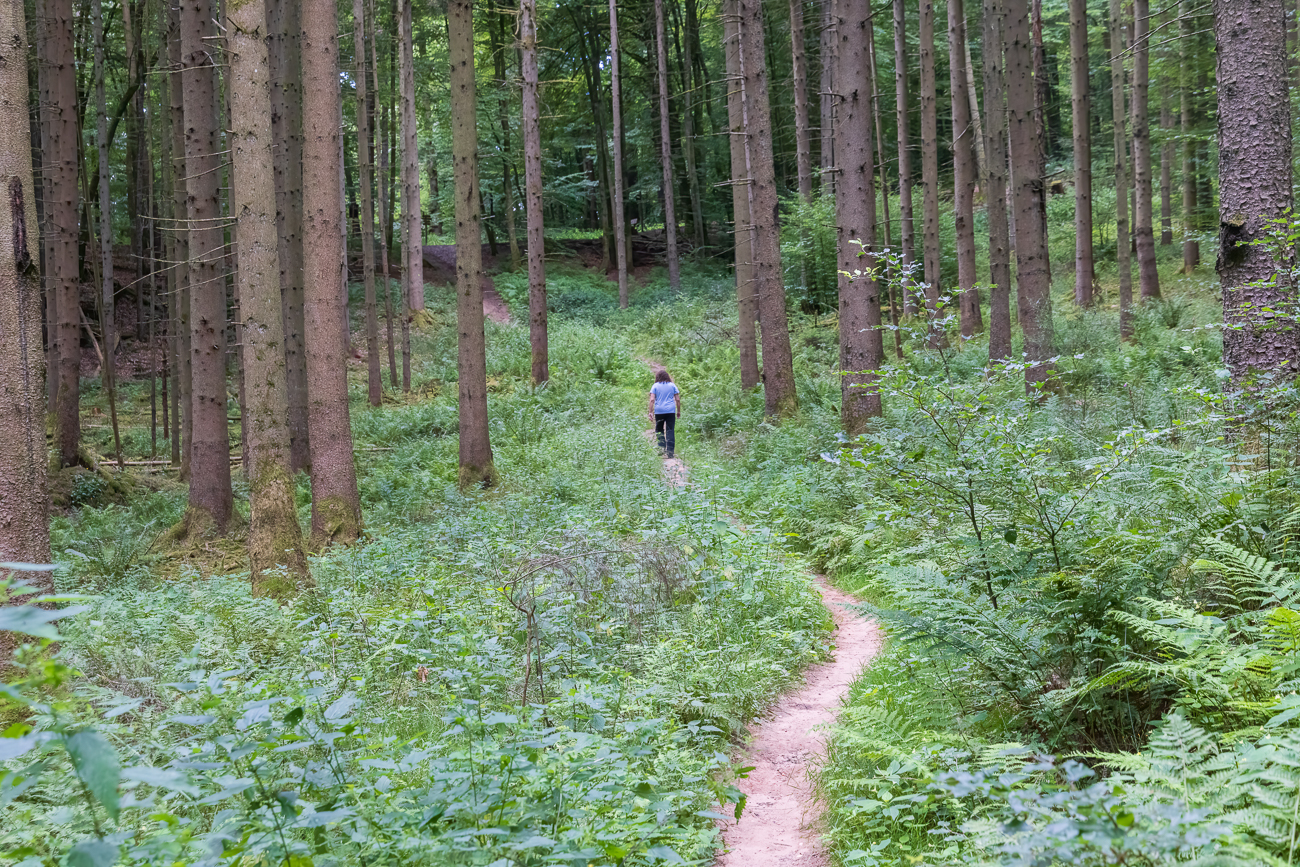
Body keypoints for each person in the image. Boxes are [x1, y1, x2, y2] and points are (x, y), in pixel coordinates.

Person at [648, 370, 681, 459]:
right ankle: (670, 452)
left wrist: (650, 412)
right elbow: (677, 399)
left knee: (659, 429)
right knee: (670, 430)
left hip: (659, 411)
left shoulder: (655, 386)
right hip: (671, 411)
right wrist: (678, 411)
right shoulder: (672, 385)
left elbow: (652, 400)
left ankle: (662, 449)